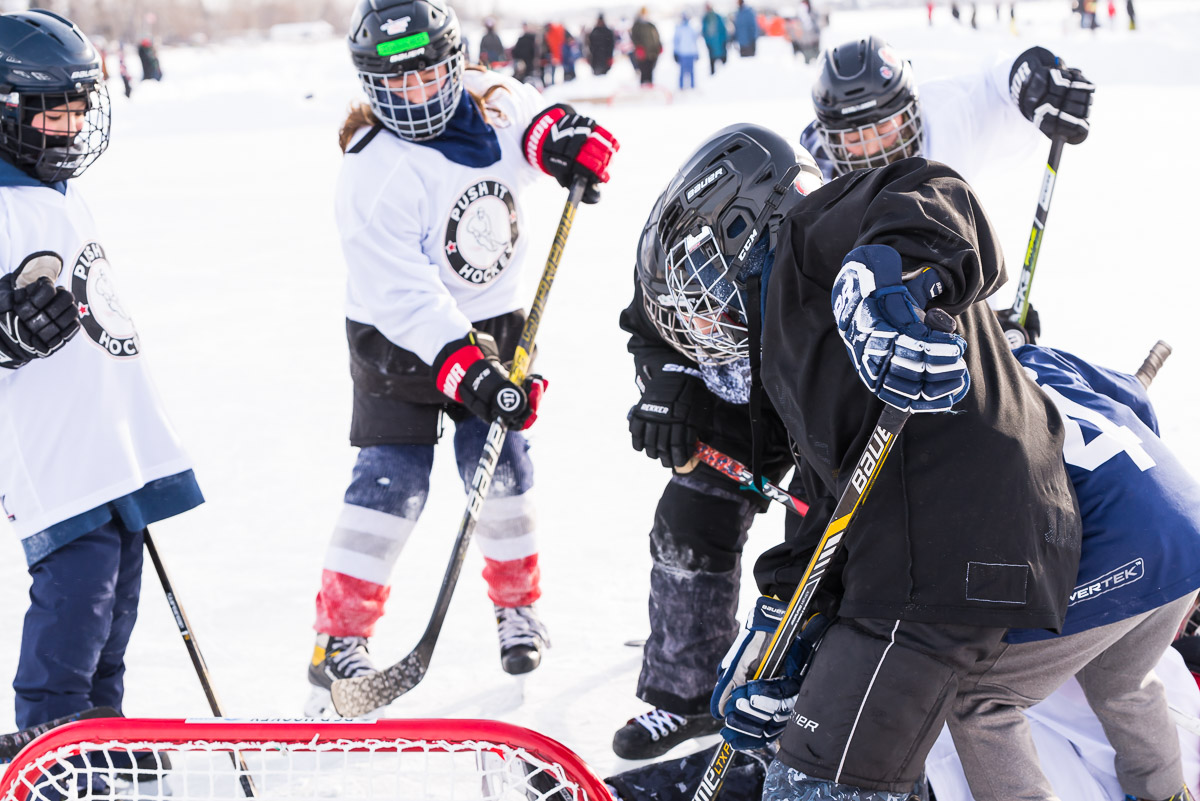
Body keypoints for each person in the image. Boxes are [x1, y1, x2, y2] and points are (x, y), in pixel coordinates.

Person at [650, 122, 1081, 801]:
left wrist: (886, 285)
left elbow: (938, 195)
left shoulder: (809, 235)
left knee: (809, 786)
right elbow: (829, 496)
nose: (706, 324)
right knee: (808, 768)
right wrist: (779, 629)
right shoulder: (795, 346)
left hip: (945, 556)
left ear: (740, 228)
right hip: (922, 559)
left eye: (703, 290)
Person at [303, 0, 618, 717]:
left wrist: (564, 143)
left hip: (495, 322)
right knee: (392, 483)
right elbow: (402, 295)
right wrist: (462, 366)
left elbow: (539, 121)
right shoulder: (374, 170)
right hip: (398, 339)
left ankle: (519, 609)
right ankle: (337, 637)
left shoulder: (496, 106)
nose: (415, 96)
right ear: (372, 87)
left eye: (427, 76)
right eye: (396, 85)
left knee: (503, 471)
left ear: (455, 65)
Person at [0, 7, 204, 735]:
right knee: (77, 590)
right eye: (52, 110)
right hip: (49, 443)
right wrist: (10, 325)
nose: (73, 122)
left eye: (79, 106)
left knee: (118, 589)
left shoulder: (57, 189)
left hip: (105, 428)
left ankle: (100, 728)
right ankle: (48, 741)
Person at [612, 153, 824, 760]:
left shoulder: (823, 265)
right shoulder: (676, 249)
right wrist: (669, 385)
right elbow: (651, 330)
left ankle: (806, 707)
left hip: (818, 414)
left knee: (813, 560)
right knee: (688, 519)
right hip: (736, 406)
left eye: (713, 305)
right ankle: (686, 692)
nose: (699, 322)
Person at [800, 35, 1094, 342]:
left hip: (968, 321)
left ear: (911, 108)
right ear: (829, 137)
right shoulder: (814, 179)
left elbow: (995, 86)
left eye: (885, 128)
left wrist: (1033, 78)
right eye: (855, 138)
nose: (874, 149)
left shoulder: (943, 113)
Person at [631, 8, 662, 87]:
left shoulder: (651, 25)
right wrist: (638, 47)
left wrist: (660, 46)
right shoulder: (637, 25)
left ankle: (650, 86)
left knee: (651, 70)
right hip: (643, 53)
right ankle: (643, 86)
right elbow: (634, 37)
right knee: (644, 71)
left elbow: (656, 37)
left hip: (653, 52)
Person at [673, 13, 700, 91]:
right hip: (682, 53)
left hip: (690, 53)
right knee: (682, 72)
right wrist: (675, 52)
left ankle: (692, 87)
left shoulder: (691, 29)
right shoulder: (679, 29)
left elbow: (694, 42)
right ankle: (681, 87)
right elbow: (676, 42)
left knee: (691, 72)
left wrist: (696, 52)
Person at [701, 4, 729, 75]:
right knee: (713, 68)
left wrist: (725, 41)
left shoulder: (718, 17)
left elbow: (723, 30)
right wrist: (708, 44)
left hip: (720, 45)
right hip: (712, 48)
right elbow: (705, 33)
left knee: (725, 67)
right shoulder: (705, 19)